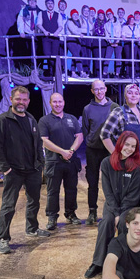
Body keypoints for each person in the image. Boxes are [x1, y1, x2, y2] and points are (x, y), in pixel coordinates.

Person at [0, 86, 49, 254]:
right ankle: (3, 239)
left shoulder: (31, 119)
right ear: (11, 99)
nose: (21, 102)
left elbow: (38, 143)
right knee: (8, 206)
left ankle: (32, 229)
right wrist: (6, 169)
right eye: (18, 99)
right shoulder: (1, 121)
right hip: (13, 171)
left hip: (32, 170)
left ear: (28, 101)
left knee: (34, 202)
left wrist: (40, 163)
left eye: (24, 99)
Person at [84, 131, 140, 279]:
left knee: (125, 224)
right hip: (112, 205)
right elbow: (107, 191)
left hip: (129, 206)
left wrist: (121, 213)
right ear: (120, 143)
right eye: (127, 144)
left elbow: (133, 196)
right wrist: (116, 213)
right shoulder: (106, 163)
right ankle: (98, 262)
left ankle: (124, 262)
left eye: (133, 146)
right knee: (106, 222)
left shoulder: (137, 167)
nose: (129, 148)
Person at [38, 93, 83, 230]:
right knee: (53, 191)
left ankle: (71, 213)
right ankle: (52, 217)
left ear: (64, 102)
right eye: (54, 102)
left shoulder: (72, 119)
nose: (57, 104)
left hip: (71, 161)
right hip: (54, 161)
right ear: (50, 103)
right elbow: (44, 141)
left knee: (71, 189)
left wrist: (71, 151)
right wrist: (62, 152)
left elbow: (79, 136)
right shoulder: (45, 120)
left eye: (60, 101)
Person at [82, 80, 119, 225]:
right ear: (92, 91)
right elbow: (85, 130)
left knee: (111, 183)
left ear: (105, 89)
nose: (99, 92)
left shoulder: (114, 107)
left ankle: (112, 211)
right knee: (92, 182)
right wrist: (91, 141)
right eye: (96, 89)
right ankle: (92, 211)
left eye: (101, 89)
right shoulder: (87, 109)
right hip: (93, 150)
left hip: (109, 150)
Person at [100, 83, 140, 163]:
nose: (133, 95)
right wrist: (115, 155)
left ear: (139, 96)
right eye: (130, 93)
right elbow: (104, 135)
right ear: (125, 96)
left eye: (136, 93)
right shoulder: (118, 112)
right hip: (125, 156)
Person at [37, 0, 63, 77]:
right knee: (46, 54)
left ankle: (54, 72)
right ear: (46, 4)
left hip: (55, 38)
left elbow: (60, 26)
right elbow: (39, 24)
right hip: (46, 37)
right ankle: (48, 71)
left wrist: (56, 32)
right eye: (48, 3)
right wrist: (44, 31)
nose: (50, 5)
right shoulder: (42, 13)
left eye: (51, 3)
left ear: (54, 5)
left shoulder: (57, 14)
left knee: (54, 55)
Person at [65, 9, 89, 78]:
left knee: (75, 56)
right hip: (71, 40)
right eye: (74, 14)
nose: (75, 16)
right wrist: (80, 34)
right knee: (76, 55)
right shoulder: (69, 22)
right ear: (71, 15)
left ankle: (73, 72)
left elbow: (81, 29)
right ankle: (81, 72)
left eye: (77, 14)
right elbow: (73, 30)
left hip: (77, 40)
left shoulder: (78, 22)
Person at [104, 8, 123, 78]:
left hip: (117, 39)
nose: (109, 15)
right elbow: (106, 34)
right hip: (110, 41)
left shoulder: (118, 23)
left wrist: (117, 41)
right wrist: (109, 41)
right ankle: (104, 72)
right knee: (107, 57)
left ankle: (117, 73)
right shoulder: (106, 24)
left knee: (118, 58)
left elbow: (120, 32)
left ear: (113, 14)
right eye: (107, 14)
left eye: (110, 14)